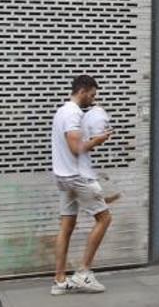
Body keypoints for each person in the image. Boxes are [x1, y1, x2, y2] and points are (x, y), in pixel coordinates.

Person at [52, 74, 112, 296]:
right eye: (92, 95)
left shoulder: (61, 111)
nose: (93, 100)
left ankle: (59, 280)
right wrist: (99, 139)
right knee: (104, 218)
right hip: (78, 177)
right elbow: (76, 148)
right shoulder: (72, 113)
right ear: (83, 91)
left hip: (64, 177)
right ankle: (83, 272)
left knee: (66, 227)